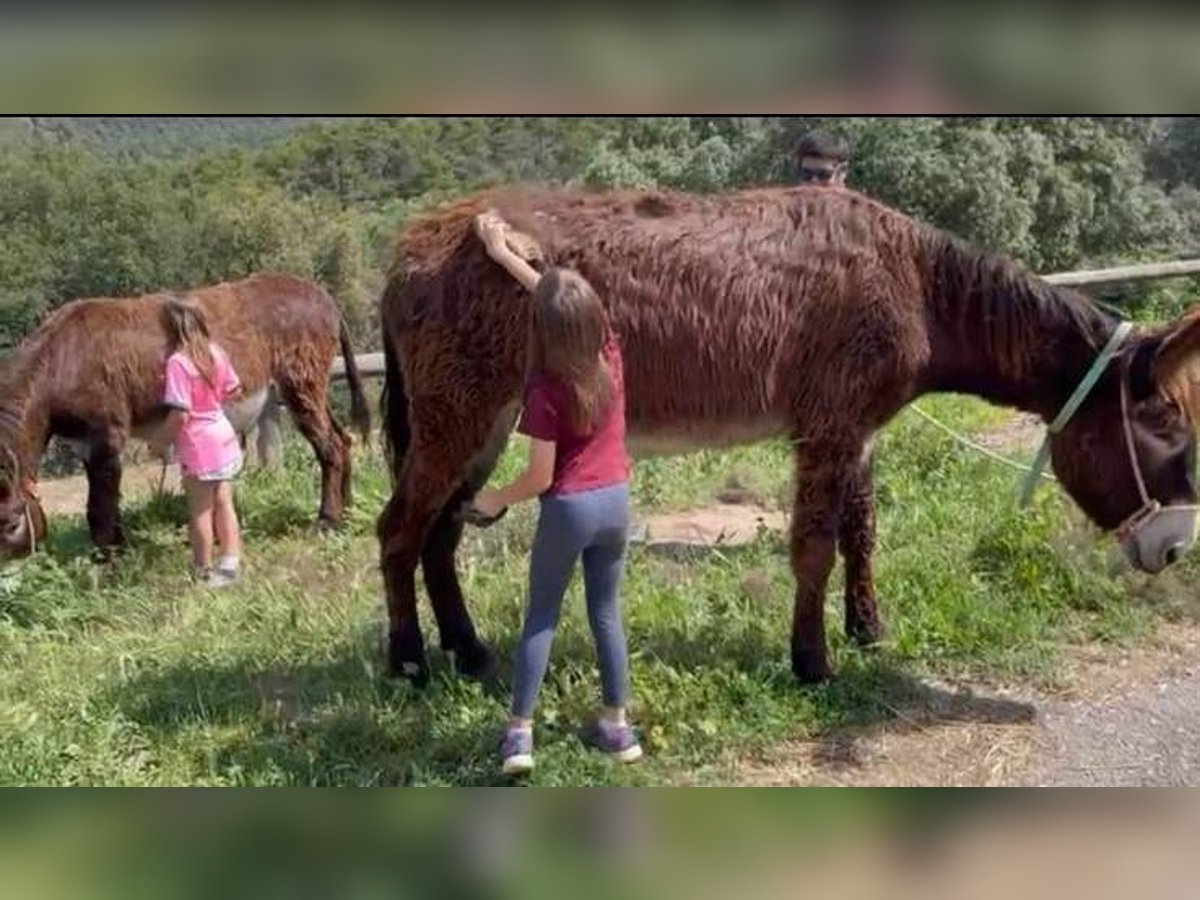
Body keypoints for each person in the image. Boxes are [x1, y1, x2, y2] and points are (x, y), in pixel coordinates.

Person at [469, 210, 641, 777]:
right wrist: (507, 256)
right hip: (616, 500)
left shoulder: (546, 391)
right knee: (606, 614)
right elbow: (555, 297)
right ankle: (618, 726)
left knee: (541, 617)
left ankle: (519, 735)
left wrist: (496, 497)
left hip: (568, 508)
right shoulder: (609, 355)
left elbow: (541, 477)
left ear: (541, 329)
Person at [151, 297, 244, 588]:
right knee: (224, 501)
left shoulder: (179, 362)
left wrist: (159, 442)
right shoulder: (216, 353)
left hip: (199, 443)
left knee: (200, 510)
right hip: (223, 434)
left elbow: (180, 413)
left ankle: (202, 570)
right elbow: (235, 390)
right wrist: (211, 399)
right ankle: (230, 563)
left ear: (172, 329)